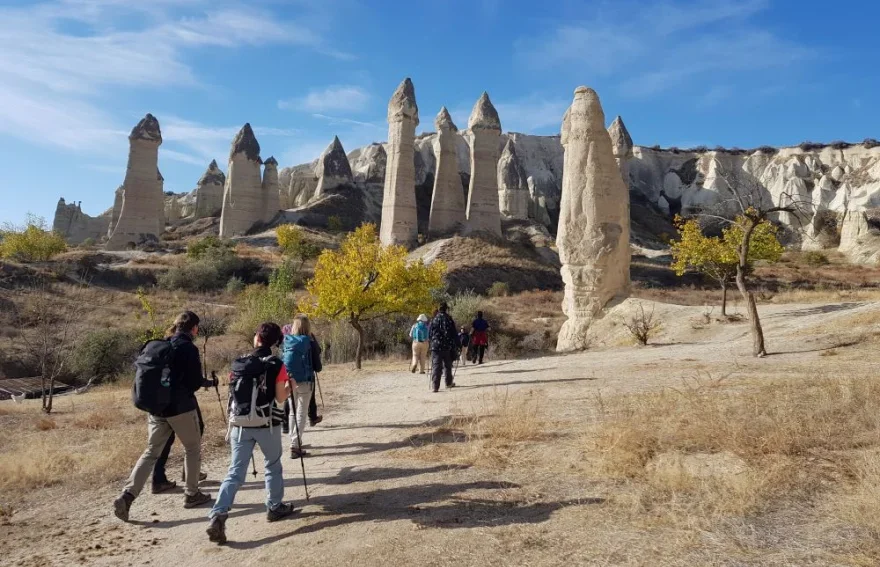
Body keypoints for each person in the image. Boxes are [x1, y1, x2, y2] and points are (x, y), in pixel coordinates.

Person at [113, 311, 211, 522]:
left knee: (151, 453)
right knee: (192, 449)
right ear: (193, 328)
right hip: (181, 408)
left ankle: (127, 496)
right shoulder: (188, 348)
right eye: (197, 328)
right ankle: (192, 494)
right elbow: (193, 383)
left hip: (157, 409)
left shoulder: (161, 345)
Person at [206, 323, 296, 544]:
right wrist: (290, 385)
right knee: (272, 465)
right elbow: (280, 398)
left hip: (239, 425)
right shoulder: (276, 363)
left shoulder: (240, 363)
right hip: (266, 423)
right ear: (276, 342)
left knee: (235, 472)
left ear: (256, 338)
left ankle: (219, 514)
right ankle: (274, 507)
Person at [281, 314, 323, 459]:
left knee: (292, 412)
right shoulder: (309, 341)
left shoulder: (286, 340)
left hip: (290, 379)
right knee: (301, 413)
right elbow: (318, 366)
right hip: (305, 381)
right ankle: (295, 444)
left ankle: (294, 441)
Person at [429, 303, 457, 393]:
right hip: (446, 346)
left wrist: (431, 342)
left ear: (439, 309)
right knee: (447, 365)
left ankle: (435, 386)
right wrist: (458, 344)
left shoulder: (434, 319)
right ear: (446, 309)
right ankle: (448, 383)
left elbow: (430, 333)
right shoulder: (449, 318)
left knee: (436, 365)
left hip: (435, 346)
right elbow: (454, 333)